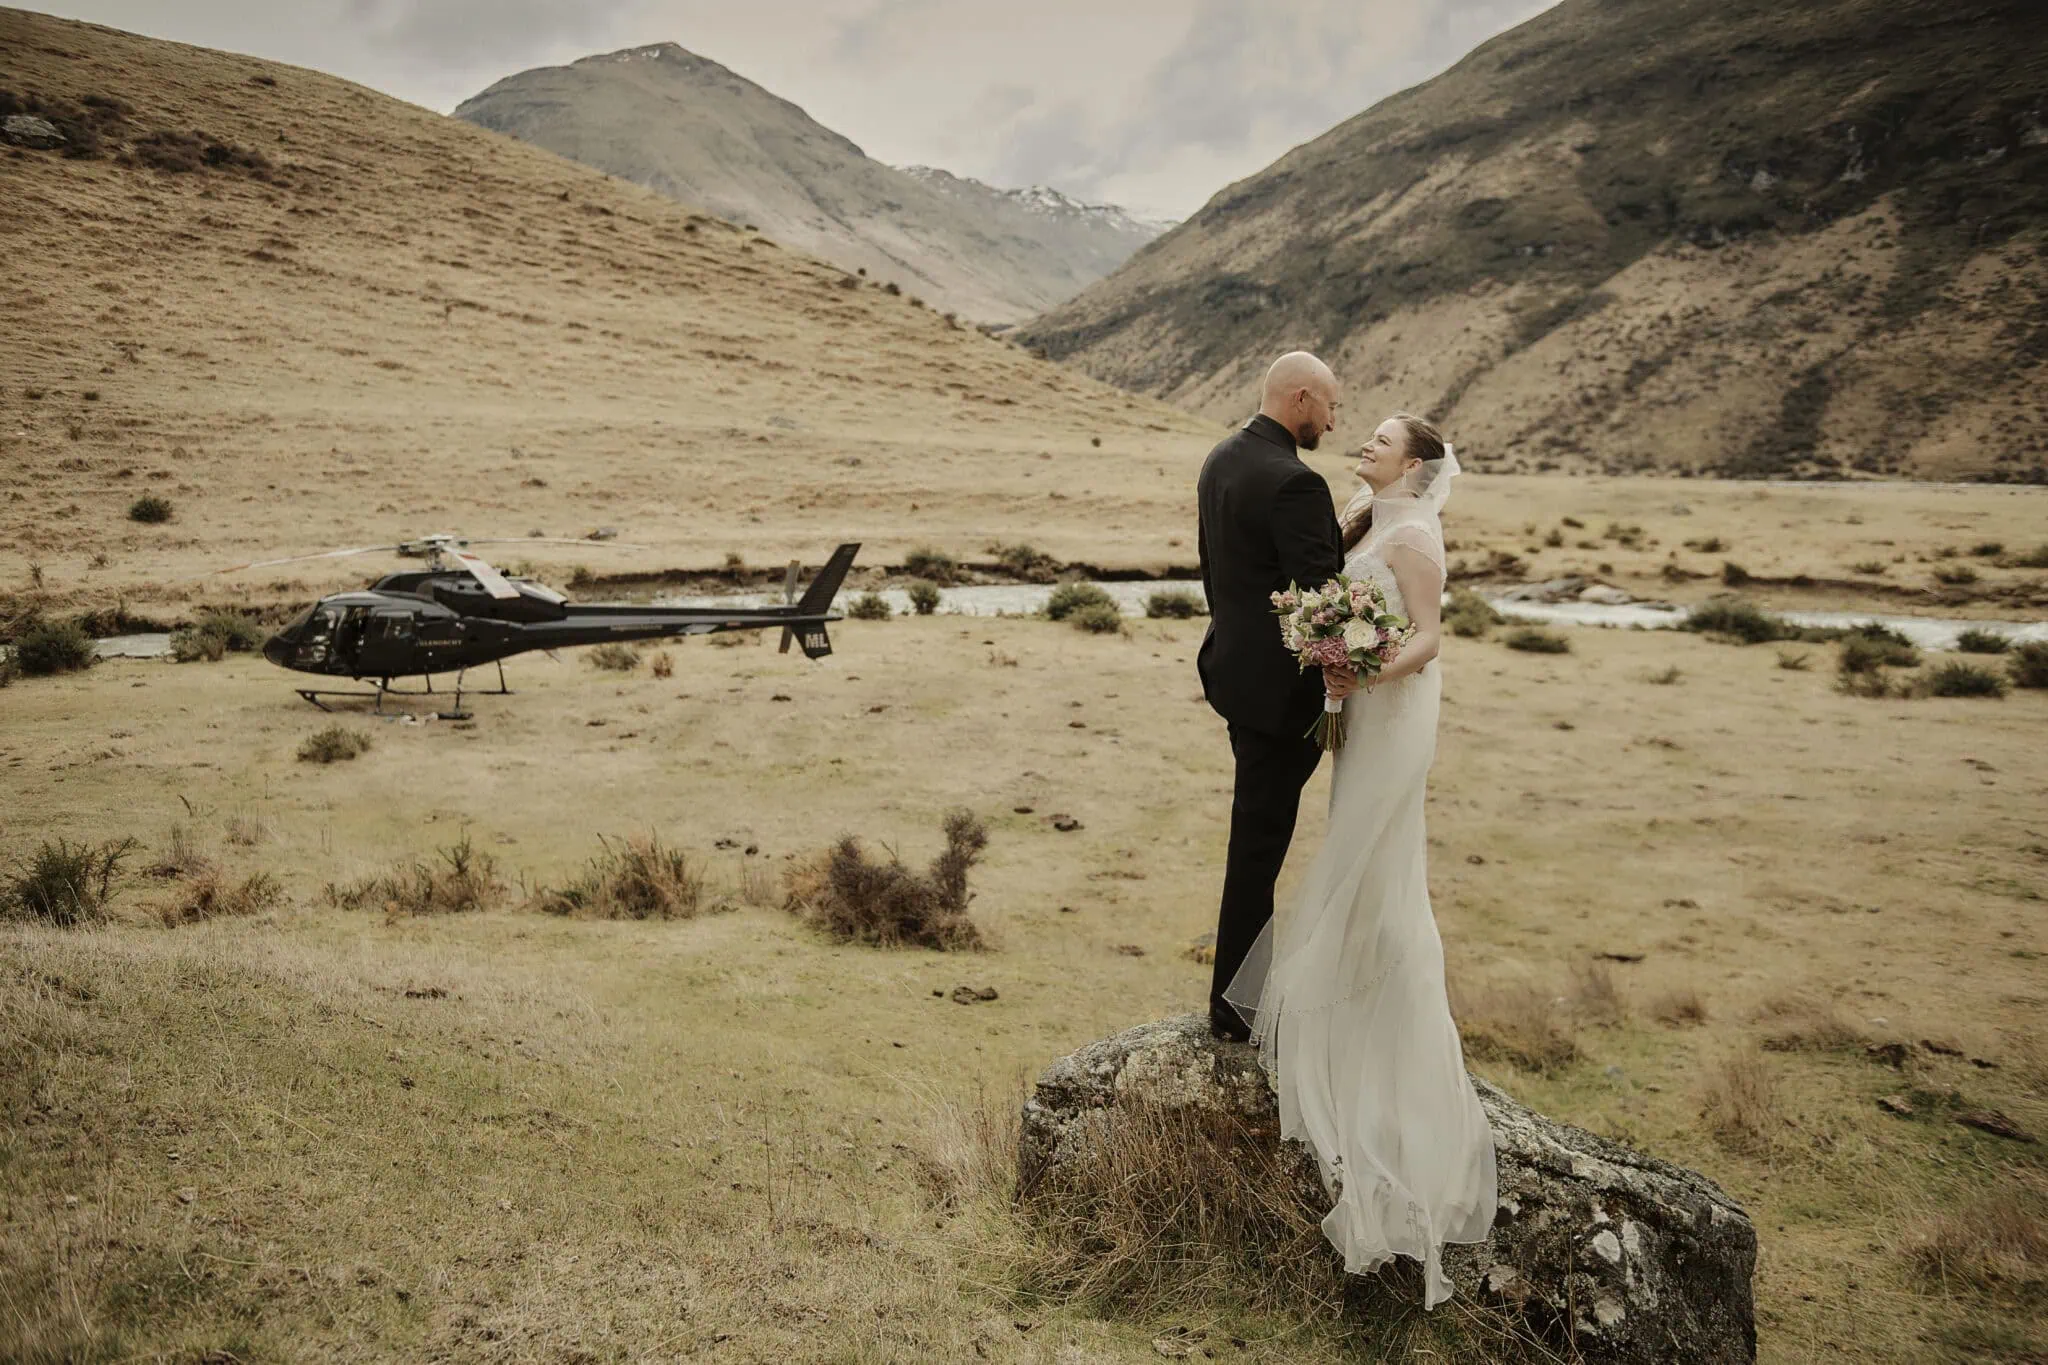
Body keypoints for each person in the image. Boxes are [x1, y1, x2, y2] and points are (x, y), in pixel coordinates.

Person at [1223, 413, 1497, 1309]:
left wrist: (1356, 668)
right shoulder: (1359, 512)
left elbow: (1427, 636)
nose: (1366, 444)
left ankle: (1380, 1031)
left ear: (1415, 465)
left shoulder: (1414, 533)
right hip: (1357, 709)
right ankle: (1343, 1004)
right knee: (1349, 851)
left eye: (1383, 439)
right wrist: (1328, 648)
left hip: (1389, 713)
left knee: (1376, 864)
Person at [1195, 351, 1352, 1044]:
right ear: (1299, 398)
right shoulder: (1296, 482)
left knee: (1253, 839)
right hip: (1279, 700)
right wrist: (1349, 662)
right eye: (1329, 406)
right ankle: (1235, 1007)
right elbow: (1319, 598)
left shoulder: (1222, 458)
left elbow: (1250, 567)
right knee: (1258, 847)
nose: (1333, 419)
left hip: (1232, 677)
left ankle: (1241, 996)